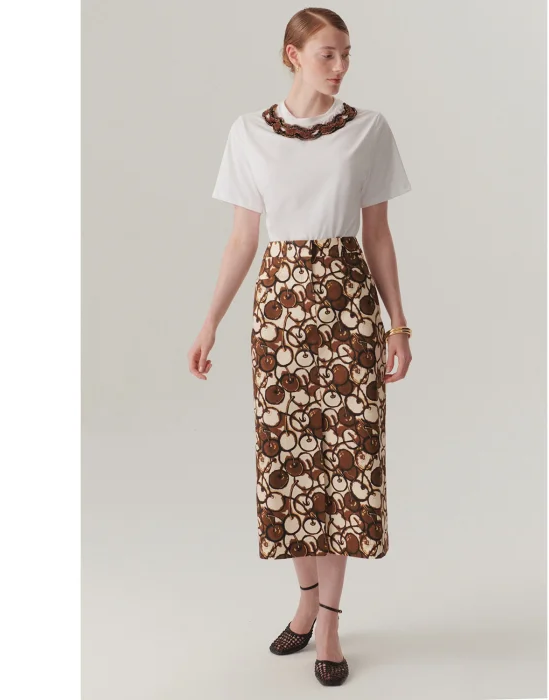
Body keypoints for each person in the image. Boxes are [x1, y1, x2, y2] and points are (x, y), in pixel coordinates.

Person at [187, 7, 413, 687]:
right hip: (279, 313)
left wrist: (399, 325)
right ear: (293, 54)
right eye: (326, 54)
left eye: (346, 53)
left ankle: (331, 625)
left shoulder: (368, 130)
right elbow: (242, 239)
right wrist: (210, 321)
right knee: (290, 463)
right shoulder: (249, 133)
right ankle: (306, 602)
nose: (340, 67)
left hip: (348, 311)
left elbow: (377, 235)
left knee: (344, 462)